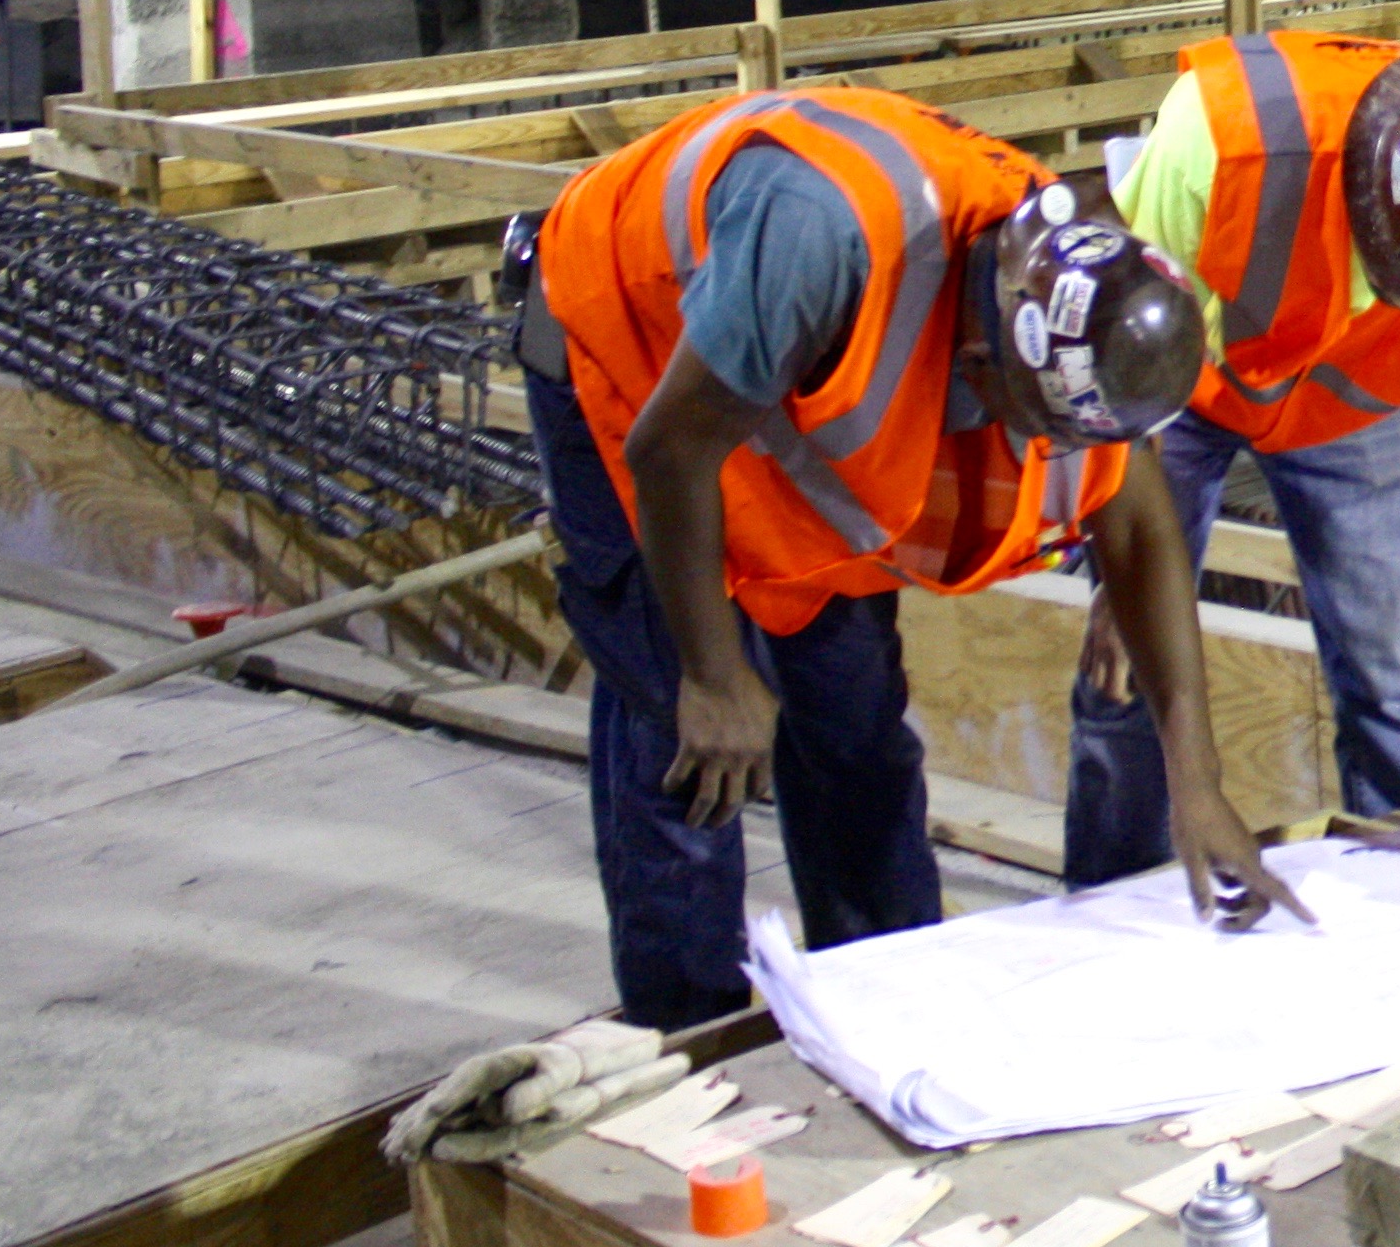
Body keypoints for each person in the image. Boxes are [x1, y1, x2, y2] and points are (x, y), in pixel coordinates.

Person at [520, 85, 1286, 1031]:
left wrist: (1197, 784)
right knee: (688, 744)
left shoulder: (1080, 297)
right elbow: (669, 453)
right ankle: (686, 1033)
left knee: (853, 725)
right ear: (974, 367)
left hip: (761, 383)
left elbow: (1136, 529)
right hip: (624, 347)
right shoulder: (819, 239)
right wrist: (714, 674)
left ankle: (889, 1008)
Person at [1068, 34, 1400, 907]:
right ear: (1369, 207)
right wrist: (1119, 558)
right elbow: (1121, 356)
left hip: (1349, 412)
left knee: (1386, 680)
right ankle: (1108, 910)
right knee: (1123, 664)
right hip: (1185, 382)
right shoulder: (1222, 140)